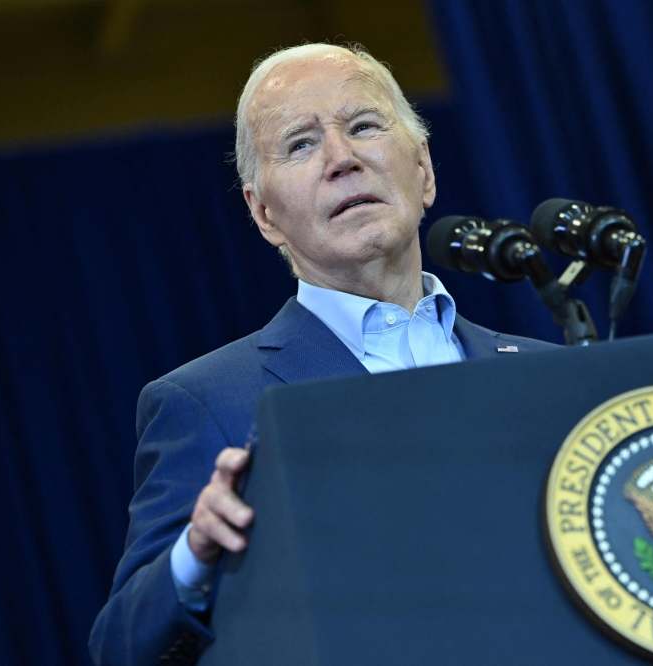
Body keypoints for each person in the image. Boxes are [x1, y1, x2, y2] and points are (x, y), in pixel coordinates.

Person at [88, 43, 555, 666]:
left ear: (423, 169)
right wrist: (194, 555)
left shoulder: (547, 372)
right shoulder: (208, 401)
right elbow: (121, 647)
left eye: (363, 126)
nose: (342, 158)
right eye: (301, 144)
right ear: (264, 214)